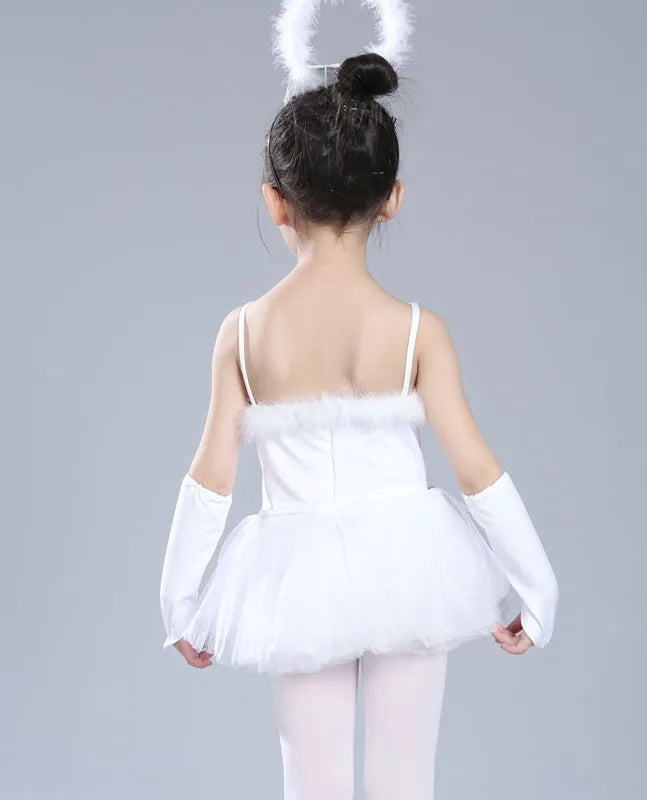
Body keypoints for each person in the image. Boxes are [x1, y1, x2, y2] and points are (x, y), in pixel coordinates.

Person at [159, 51, 559, 800]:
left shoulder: (242, 334)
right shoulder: (416, 331)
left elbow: (210, 476)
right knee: (407, 779)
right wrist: (538, 586)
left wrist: (179, 601)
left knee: (311, 785)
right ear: (393, 197)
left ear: (276, 202)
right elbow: (476, 468)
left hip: (297, 578)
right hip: (411, 567)